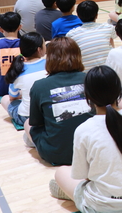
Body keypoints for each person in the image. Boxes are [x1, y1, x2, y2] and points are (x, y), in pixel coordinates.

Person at [51, 66, 122, 213]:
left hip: (103, 206)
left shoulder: (83, 130)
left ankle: (71, 193)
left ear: (88, 97)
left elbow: (82, 175)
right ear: (119, 92)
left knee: (61, 173)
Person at [27, 37, 93, 166]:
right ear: (78, 56)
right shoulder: (90, 79)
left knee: (27, 124)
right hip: (92, 151)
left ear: (49, 58)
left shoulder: (39, 86)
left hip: (57, 154)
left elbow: (36, 122)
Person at [0, 32, 46, 129]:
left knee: (4, 99)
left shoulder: (18, 69)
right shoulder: (50, 65)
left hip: (26, 117)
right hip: (48, 114)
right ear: (39, 50)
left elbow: (12, 97)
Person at [66, 0, 116, 71]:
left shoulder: (71, 34)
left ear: (78, 16)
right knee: (110, 40)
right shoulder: (108, 27)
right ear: (96, 15)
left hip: (85, 75)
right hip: (108, 72)